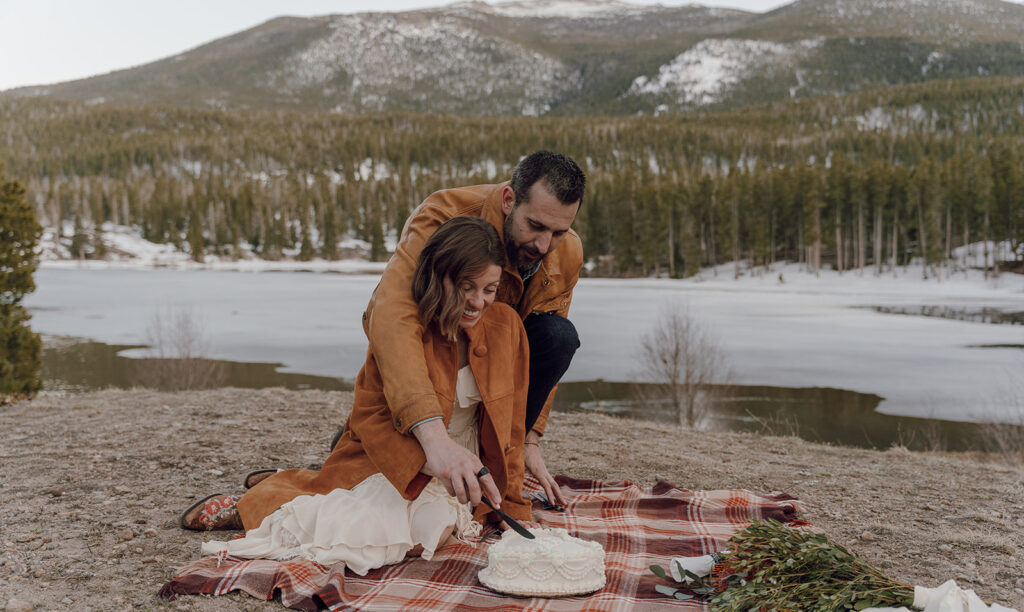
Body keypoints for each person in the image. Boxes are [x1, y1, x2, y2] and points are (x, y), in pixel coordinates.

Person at [180, 217, 532, 573]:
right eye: (465, 287)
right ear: (439, 275)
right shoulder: (403, 329)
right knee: (372, 533)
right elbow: (369, 417)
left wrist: (513, 505)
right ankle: (262, 504)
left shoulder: (508, 328)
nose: (477, 302)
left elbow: (512, 429)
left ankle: (290, 481)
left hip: (464, 472)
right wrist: (429, 461)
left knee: (430, 534)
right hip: (393, 460)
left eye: (489, 289)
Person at [364, 150, 585, 507]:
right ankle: (401, 439)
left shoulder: (568, 251)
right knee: (369, 470)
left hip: (497, 367)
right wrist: (433, 437)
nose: (545, 245)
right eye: (536, 226)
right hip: (441, 359)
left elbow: (545, 354)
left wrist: (529, 441)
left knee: (559, 337)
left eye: (559, 231)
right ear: (509, 200)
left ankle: (495, 459)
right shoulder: (443, 215)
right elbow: (393, 316)